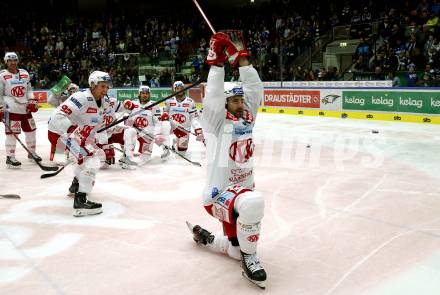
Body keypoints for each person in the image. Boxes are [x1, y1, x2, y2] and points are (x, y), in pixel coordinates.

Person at [186, 31, 266, 288]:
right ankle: (250, 258)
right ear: (224, 104)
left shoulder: (247, 118)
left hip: (241, 190)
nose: (241, 103)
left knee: (233, 249)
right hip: (220, 194)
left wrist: (243, 60)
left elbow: (255, 90)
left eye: (241, 99)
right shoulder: (214, 123)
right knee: (254, 202)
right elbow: (214, 96)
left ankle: (210, 240)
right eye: (234, 100)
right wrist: (217, 61)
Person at [48, 70, 113, 216]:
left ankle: (76, 184)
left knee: (88, 159)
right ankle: (81, 200)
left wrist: (104, 138)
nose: (106, 89)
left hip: (81, 137)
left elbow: (98, 126)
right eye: (102, 86)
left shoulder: (105, 101)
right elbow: (57, 115)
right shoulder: (81, 97)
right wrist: (72, 131)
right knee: (93, 161)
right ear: (93, 84)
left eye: (107, 86)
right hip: (66, 134)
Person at [0, 52, 42, 168]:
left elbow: (28, 90)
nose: (13, 63)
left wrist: (32, 101)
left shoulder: (24, 73)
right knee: (12, 133)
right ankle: (10, 157)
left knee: (31, 131)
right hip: (11, 108)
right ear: (6, 62)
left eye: (15, 60)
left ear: (17, 61)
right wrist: (1, 108)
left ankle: (32, 153)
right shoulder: (2, 75)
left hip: (25, 108)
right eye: (10, 60)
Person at [126, 85, 169, 164]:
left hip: (147, 133)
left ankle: (166, 148)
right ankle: (127, 153)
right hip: (135, 131)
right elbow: (126, 119)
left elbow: (158, 122)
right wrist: (128, 120)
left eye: (147, 93)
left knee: (145, 158)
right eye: (143, 93)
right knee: (128, 133)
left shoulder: (154, 105)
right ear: (139, 94)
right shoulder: (134, 103)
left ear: (149, 94)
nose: (145, 95)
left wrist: (156, 135)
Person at [161, 80, 204, 155]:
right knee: (165, 124)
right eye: (178, 88)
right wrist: (164, 115)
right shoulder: (169, 101)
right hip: (172, 128)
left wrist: (198, 130)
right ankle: (166, 147)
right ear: (174, 90)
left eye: (181, 88)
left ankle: (175, 141)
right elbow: (164, 115)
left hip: (184, 129)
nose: (180, 90)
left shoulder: (190, 102)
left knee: (182, 151)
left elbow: (194, 118)